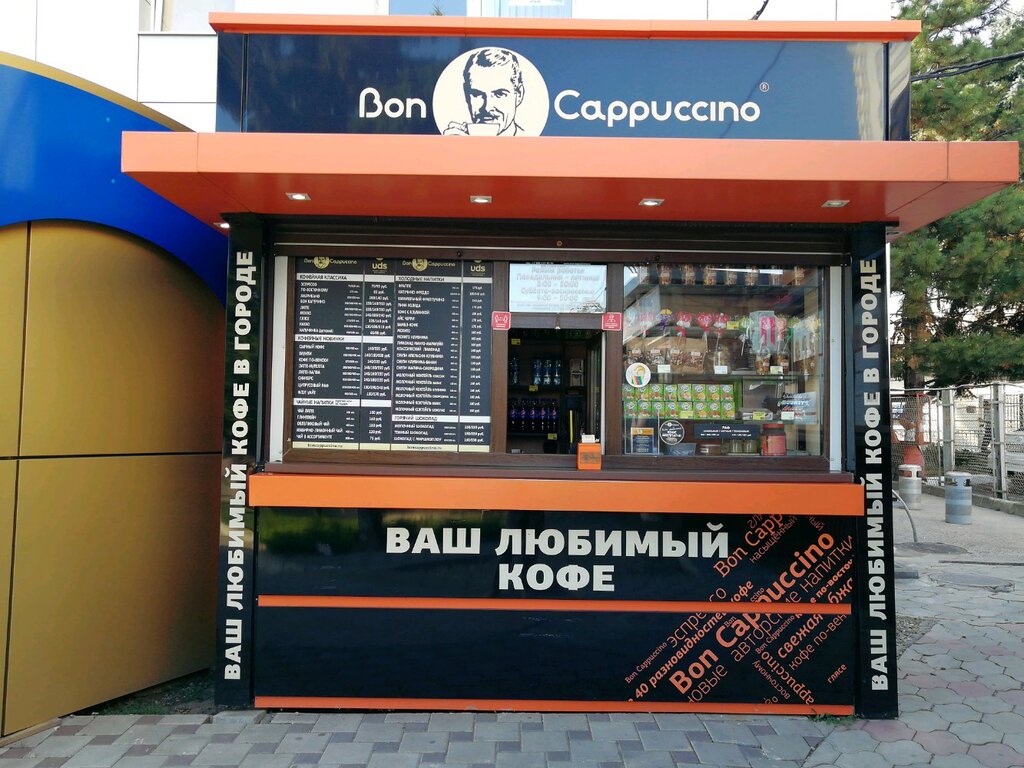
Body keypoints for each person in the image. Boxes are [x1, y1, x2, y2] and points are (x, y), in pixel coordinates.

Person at [444, 48, 525, 136]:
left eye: (499, 94)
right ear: (466, 95)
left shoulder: (532, 141)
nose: (487, 107)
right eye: (477, 94)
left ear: (519, 95)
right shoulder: (457, 139)